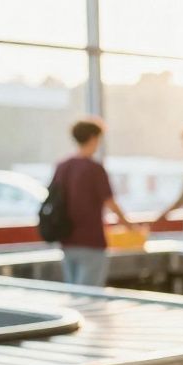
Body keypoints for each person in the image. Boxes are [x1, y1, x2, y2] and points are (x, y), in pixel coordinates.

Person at [52, 118, 133, 287]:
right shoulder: (95, 169)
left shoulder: (62, 166)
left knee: (73, 291)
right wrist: (129, 226)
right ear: (93, 138)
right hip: (91, 241)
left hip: (67, 240)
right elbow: (110, 202)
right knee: (89, 295)